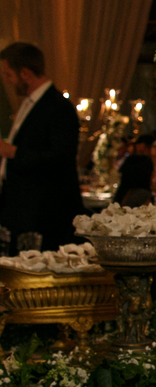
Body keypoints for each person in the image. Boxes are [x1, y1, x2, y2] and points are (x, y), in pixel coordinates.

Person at [0, 42, 84, 253]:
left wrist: (13, 152)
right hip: (23, 209)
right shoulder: (30, 104)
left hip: (45, 213)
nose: (7, 81)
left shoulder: (58, 107)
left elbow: (61, 158)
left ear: (25, 74)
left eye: (9, 74)